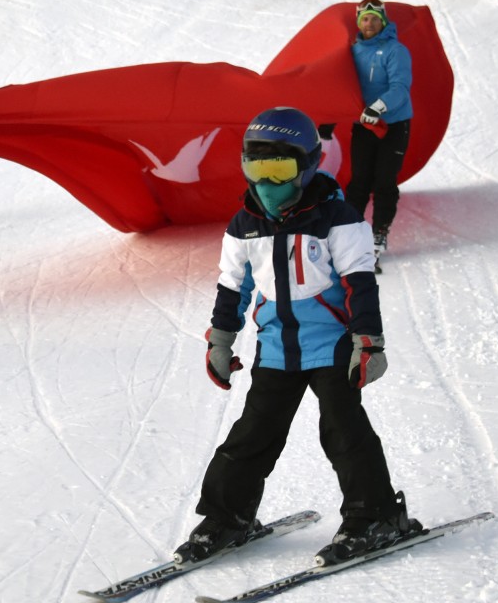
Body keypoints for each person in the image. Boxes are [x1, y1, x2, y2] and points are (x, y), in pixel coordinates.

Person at [174, 105, 421, 567]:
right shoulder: (244, 226)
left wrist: (368, 341)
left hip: (331, 348)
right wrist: (221, 340)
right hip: (275, 351)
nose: (267, 183)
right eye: (256, 169)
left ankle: (376, 516)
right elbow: (232, 286)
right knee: (251, 437)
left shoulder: (338, 219)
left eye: (280, 169)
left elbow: (359, 283)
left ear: (308, 166)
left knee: (344, 433)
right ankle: (227, 517)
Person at [343, 0, 413, 269]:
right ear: (358, 23)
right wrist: (328, 118)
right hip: (364, 125)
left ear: (382, 21)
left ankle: (378, 236)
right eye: (364, 19)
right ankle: (349, 235)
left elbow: (400, 87)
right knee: (359, 180)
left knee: (384, 181)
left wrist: (378, 107)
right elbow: (337, 84)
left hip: (393, 123)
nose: (369, 23)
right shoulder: (352, 51)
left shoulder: (396, 50)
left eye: (374, 18)